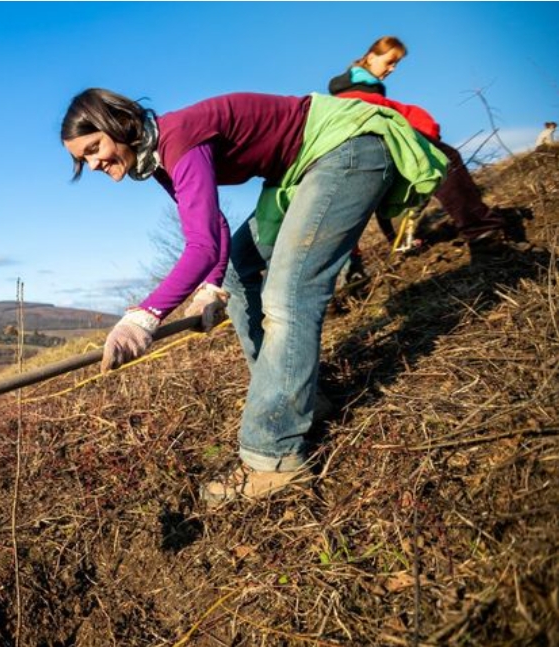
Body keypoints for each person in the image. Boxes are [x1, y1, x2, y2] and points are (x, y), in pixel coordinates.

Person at [61, 88, 445, 506]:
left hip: (344, 147)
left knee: (288, 294)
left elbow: (202, 246)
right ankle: (301, 400)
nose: (93, 163)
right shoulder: (159, 159)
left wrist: (144, 316)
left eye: (94, 147)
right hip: (297, 170)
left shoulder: (181, 139)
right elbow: (213, 230)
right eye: (83, 160)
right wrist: (210, 287)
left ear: (117, 123)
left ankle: (274, 456)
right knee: (238, 272)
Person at [329, 36, 531, 255]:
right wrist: (419, 125)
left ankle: (397, 243)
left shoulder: (360, 84)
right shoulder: (358, 87)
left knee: (384, 185)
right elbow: (371, 110)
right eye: (389, 61)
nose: (393, 69)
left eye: (397, 64)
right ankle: (482, 232)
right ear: (370, 57)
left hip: (358, 142)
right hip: (368, 136)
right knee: (442, 158)